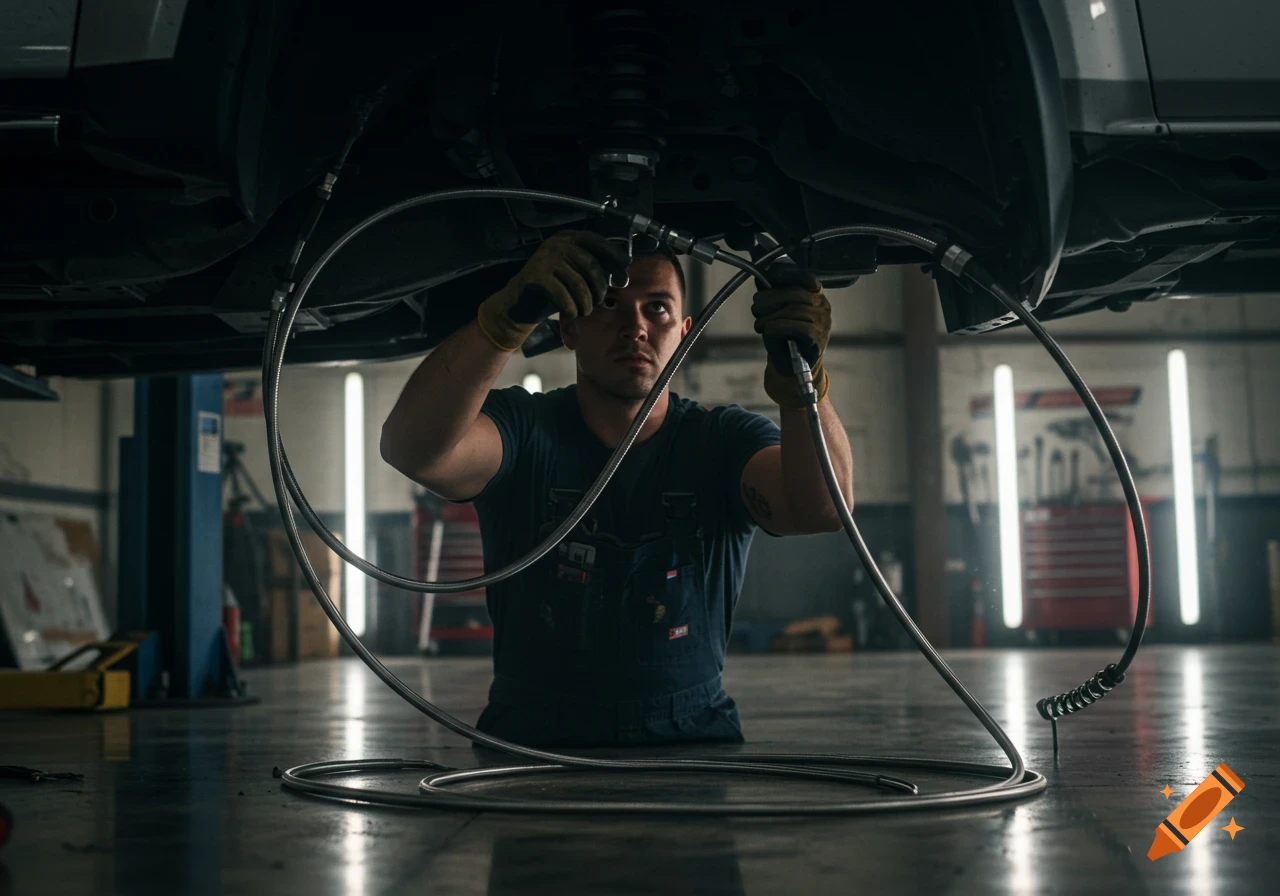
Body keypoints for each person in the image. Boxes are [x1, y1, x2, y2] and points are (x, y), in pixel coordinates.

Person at [381, 231, 854, 746]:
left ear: (685, 333)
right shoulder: (523, 429)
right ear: (567, 328)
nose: (636, 328)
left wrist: (801, 377)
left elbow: (824, 510)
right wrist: (503, 321)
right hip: (531, 745)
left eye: (658, 309)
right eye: (609, 304)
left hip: (691, 742)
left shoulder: (723, 441)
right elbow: (413, 450)